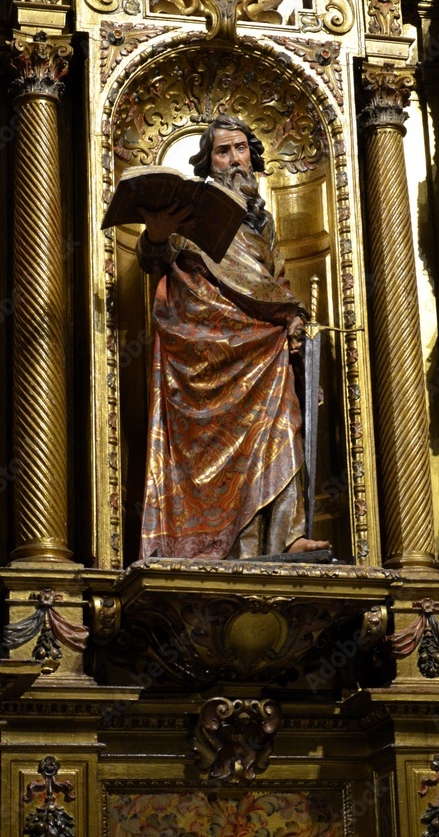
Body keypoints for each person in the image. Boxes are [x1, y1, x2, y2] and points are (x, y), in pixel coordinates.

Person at [135, 114, 330, 560]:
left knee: (283, 425)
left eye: (241, 148)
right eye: (223, 151)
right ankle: (217, 545)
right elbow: (153, 260)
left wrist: (293, 320)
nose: (235, 159)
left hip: (263, 346)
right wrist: (157, 236)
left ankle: (287, 535)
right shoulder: (190, 212)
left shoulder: (263, 223)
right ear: (209, 163)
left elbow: (274, 282)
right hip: (204, 346)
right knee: (213, 453)